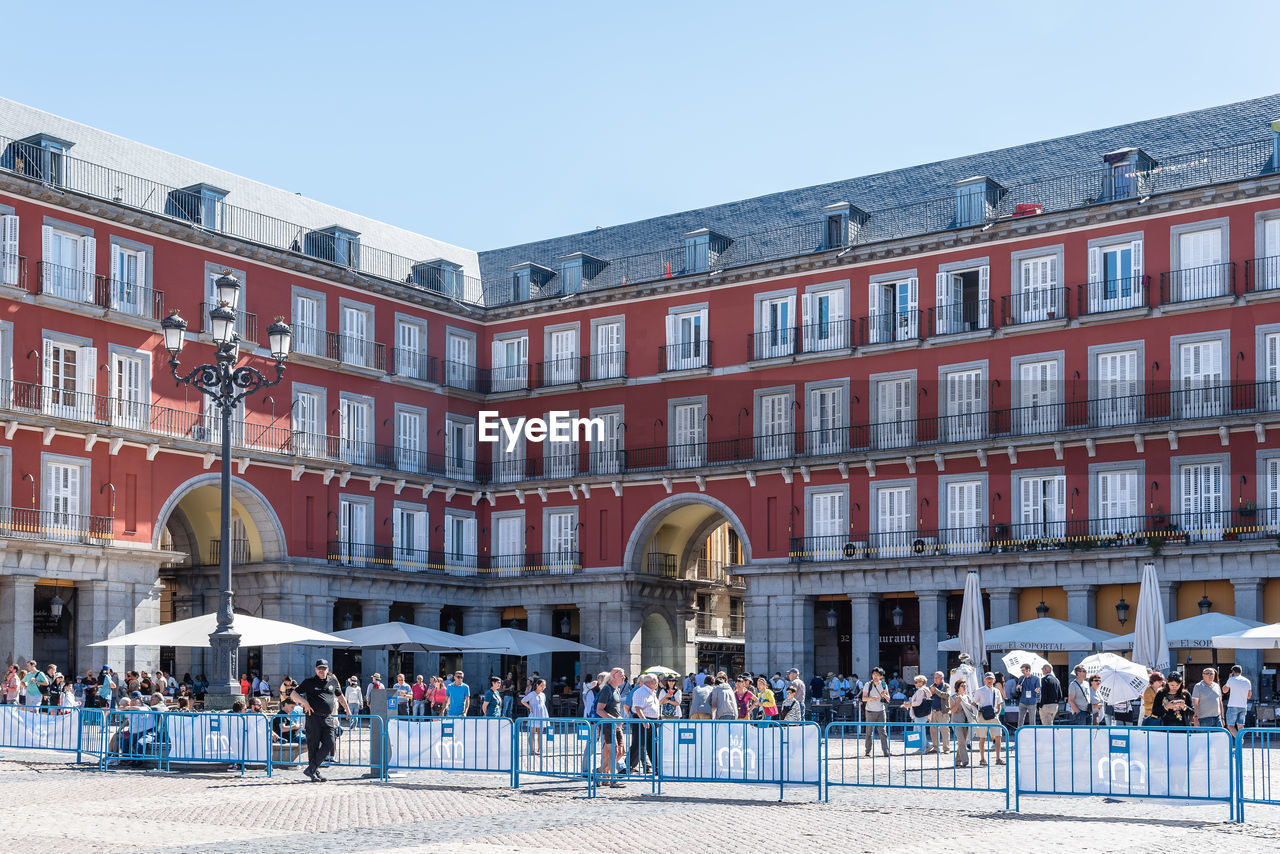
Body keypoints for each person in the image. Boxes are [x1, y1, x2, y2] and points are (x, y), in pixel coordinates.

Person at [289, 659, 351, 782]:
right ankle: (314, 772)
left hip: (327, 718)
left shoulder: (332, 681)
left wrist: (348, 710)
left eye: (324, 668)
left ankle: (311, 769)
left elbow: (340, 696)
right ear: (315, 670)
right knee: (313, 747)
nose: (321, 670)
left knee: (329, 742)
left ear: (328, 669)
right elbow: (293, 695)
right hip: (313, 717)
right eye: (319, 668)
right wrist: (305, 702)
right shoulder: (309, 682)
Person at [595, 667, 627, 788]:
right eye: (621, 675)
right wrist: (613, 720)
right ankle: (612, 779)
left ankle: (599, 771)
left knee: (621, 751)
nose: (624, 677)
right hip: (608, 725)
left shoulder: (616, 690)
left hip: (616, 725)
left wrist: (618, 718)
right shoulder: (606, 690)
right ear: (613, 676)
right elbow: (599, 710)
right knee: (613, 751)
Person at [972, 672, 1005, 765]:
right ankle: (982, 759)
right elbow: (974, 703)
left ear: (994, 680)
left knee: (998, 736)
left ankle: (998, 758)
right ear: (984, 680)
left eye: (991, 679)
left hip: (994, 716)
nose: (989, 680)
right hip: (983, 716)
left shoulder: (997, 691)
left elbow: (999, 704)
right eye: (988, 679)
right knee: (983, 738)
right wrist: (978, 713)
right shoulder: (979, 690)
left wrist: (997, 713)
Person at [861, 667, 890, 757]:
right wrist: (871, 698)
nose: (875, 676)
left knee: (883, 731)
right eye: (874, 674)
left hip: (881, 711)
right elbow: (863, 698)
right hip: (870, 711)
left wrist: (884, 695)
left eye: (877, 675)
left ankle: (886, 751)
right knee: (869, 732)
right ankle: (867, 751)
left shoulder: (884, 685)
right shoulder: (867, 684)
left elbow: (888, 699)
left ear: (881, 676)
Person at [949, 678, 976, 768]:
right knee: (961, 741)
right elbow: (952, 711)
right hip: (957, 722)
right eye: (962, 686)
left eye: (965, 686)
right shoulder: (953, 697)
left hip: (966, 722)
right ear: (957, 687)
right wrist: (957, 703)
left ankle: (957, 761)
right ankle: (965, 760)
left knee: (963, 741)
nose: (964, 687)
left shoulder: (967, 697)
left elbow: (969, 709)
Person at [521, 678, 548, 755]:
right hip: (534, 714)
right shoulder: (532, 694)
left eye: (544, 686)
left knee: (540, 733)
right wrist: (530, 707)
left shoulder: (543, 695)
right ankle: (532, 750)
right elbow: (523, 701)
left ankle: (540, 749)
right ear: (537, 685)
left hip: (542, 714)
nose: (543, 687)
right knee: (532, 733)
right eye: (541, 685)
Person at [926, 671, 951, 755]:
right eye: (934, 677)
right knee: (933, 730)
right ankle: (935, 747)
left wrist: (935, 691)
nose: (935, 679)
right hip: (933, 711)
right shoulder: (932, 686)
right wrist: (931, 693)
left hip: (943, 711)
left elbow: (947, 696)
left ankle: (946, 748)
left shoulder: (946, 686)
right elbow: (928, 696)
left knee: (944, 730)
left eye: (937, 678)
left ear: (942, 678)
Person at [1223, 665, 1252, 735]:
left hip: (1233, 705)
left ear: (1233, 672)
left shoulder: (1231, 679)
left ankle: (1239, 740)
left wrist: (1229, 678)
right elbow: (1249, 696)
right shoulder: (1247, 681)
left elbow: (1224, 691)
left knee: (1230, 725)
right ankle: (1241, 741)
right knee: (1240, 726)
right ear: (1241, 671)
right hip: (1243, 706)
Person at [907, 675, 932, 754]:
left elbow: (918, 702)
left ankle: (922, 748)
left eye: (916, 682)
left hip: (920, 714)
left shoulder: (921, 690)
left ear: (921, 682)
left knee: (920, 731)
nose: (915, 684)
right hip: (924, 713)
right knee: (919, 730)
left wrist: (910, 704)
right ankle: (927, 745)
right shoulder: (925, 690)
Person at [1014, 663, 1040, 727]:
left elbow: (1038, 689)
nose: (1022, 672)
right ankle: (1019, 732)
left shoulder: (1036, 679)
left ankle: (1032, 733)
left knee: (1032, 720)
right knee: (1020, 719)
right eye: (1022, 670)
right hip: (1023, 701)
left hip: (1032, 702)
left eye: (1023, 670)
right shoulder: (1021, 678)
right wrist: (1018, 688)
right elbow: (1017, 690)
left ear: (1028, 670)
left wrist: (1037, 690)